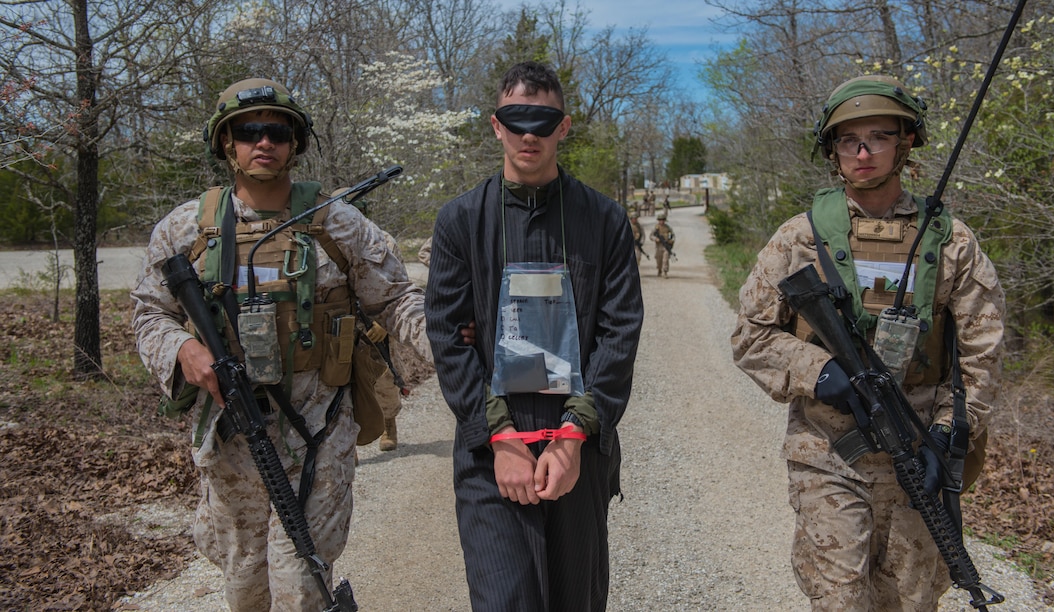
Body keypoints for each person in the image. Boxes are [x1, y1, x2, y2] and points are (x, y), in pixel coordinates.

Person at [131, 78, 431, 610]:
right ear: (227, 143)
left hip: (318, 422)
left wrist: (461, 350)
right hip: (231, 432)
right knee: (245, 580)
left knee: (303, 582)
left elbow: (395, 302)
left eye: (277, 131)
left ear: (295, 142)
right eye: (247, 132)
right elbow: (151, 312)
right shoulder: (187, 228)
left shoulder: (337, 220)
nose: (263, 142)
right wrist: (182, 350)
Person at [731, 75, 1005, 610]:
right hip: (827, 448)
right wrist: (818, 372)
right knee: (839, 597)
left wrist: (951, 432)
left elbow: (983, 350)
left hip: (919, 445)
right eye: (848, 139)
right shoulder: (800, 237)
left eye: (878, 136)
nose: (862, 151)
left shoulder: (950, 241)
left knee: (909, 598)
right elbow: (750, 335)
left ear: (905, 143)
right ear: (832, 150)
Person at [424, 60, 644, 611]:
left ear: (563, 128)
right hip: (493, 445)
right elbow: (448, 339)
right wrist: (499, 439)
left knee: (578, 599)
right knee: (506, 600)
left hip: (579, 443)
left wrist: (572, 438)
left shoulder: (606, 221)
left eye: (543, 121)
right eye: (515, 119)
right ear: (495, 125)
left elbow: (619, 337)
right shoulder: (459, 221)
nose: (529, 134)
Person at [650, 211, 675, 277]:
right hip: (658, 246)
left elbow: (672, 235)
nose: (662, 221)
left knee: (665, 259)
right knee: (659, 259)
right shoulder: (656, 228)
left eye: (663, 220)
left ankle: (665, 271)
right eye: (660, 220)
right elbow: (651, 236)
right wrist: (656, 239)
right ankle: (659, 269)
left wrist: (671, 240)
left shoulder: (668, 228)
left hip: (666, 246)